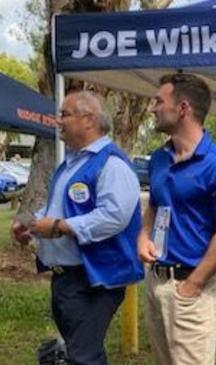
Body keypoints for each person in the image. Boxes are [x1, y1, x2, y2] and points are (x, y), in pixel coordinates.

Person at [12, 90, 143, 365]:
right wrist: (30, 224)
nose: (58, 120)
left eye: (64, 114)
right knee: (80, 353)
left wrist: (59, 226)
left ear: (88, 119)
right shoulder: (71, 163)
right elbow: (57, 209)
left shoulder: (112, 164)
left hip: (94, 280)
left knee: (83, 356)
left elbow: (113, 217)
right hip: (67, 279)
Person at [137, 73, 216, 365]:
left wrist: (194, 284)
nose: (153, 108)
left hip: (191, 288)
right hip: (156, 281)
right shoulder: (159, 158)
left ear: (183, 108)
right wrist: (143, 236)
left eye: (160, 101)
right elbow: (155, 206)